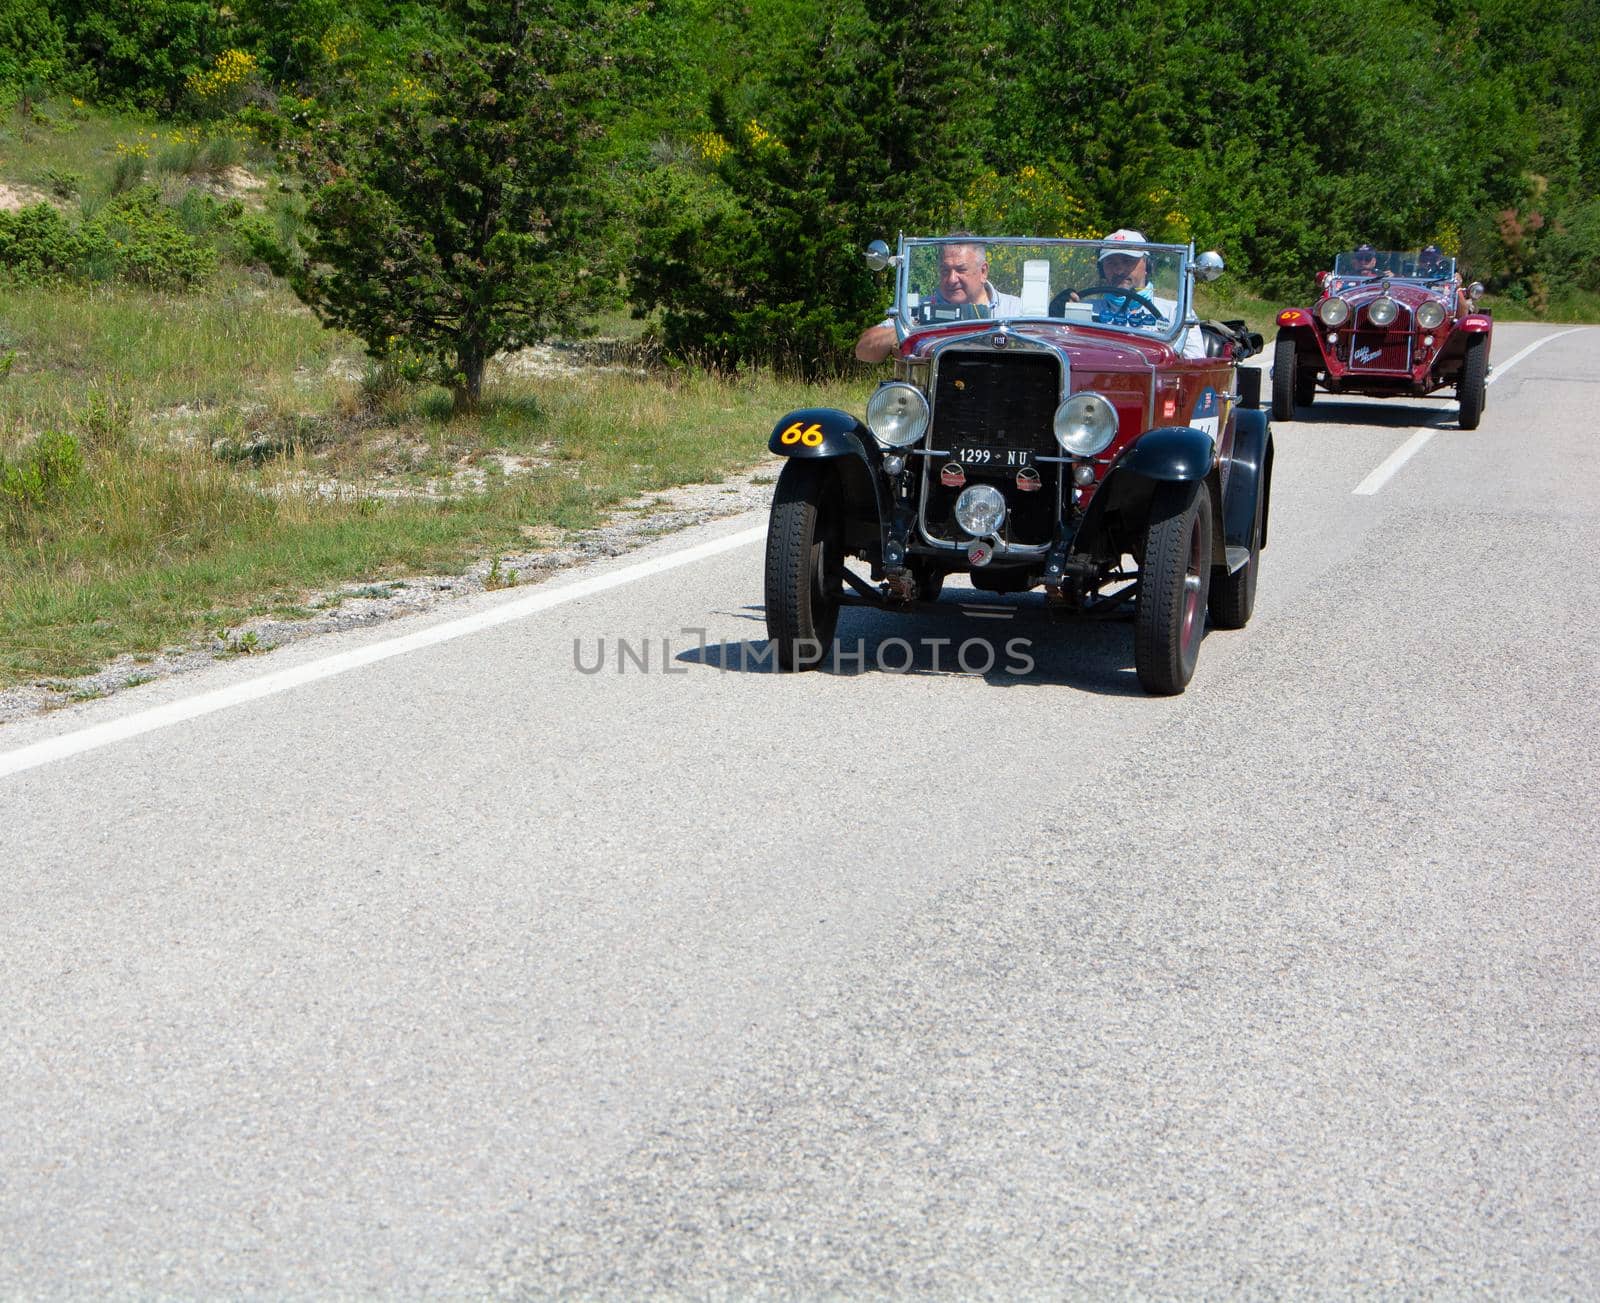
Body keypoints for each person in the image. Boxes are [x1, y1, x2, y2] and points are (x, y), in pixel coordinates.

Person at [854, 237, 1022, 362]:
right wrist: (909, 331)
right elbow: (863, 350)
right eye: (945, 270)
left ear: (983, 272)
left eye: (961, 270)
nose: (951, 279)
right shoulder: (918, 312)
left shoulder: (1016, 310)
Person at [1067, 228, 1207, 359]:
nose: (1119, 270)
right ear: (1101, 269)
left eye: (1128, 261)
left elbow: (1195, 365)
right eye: (1110, 262)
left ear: (1148, 265)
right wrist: (1061, 310)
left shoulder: (1175, 314)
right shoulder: (1085, 310)